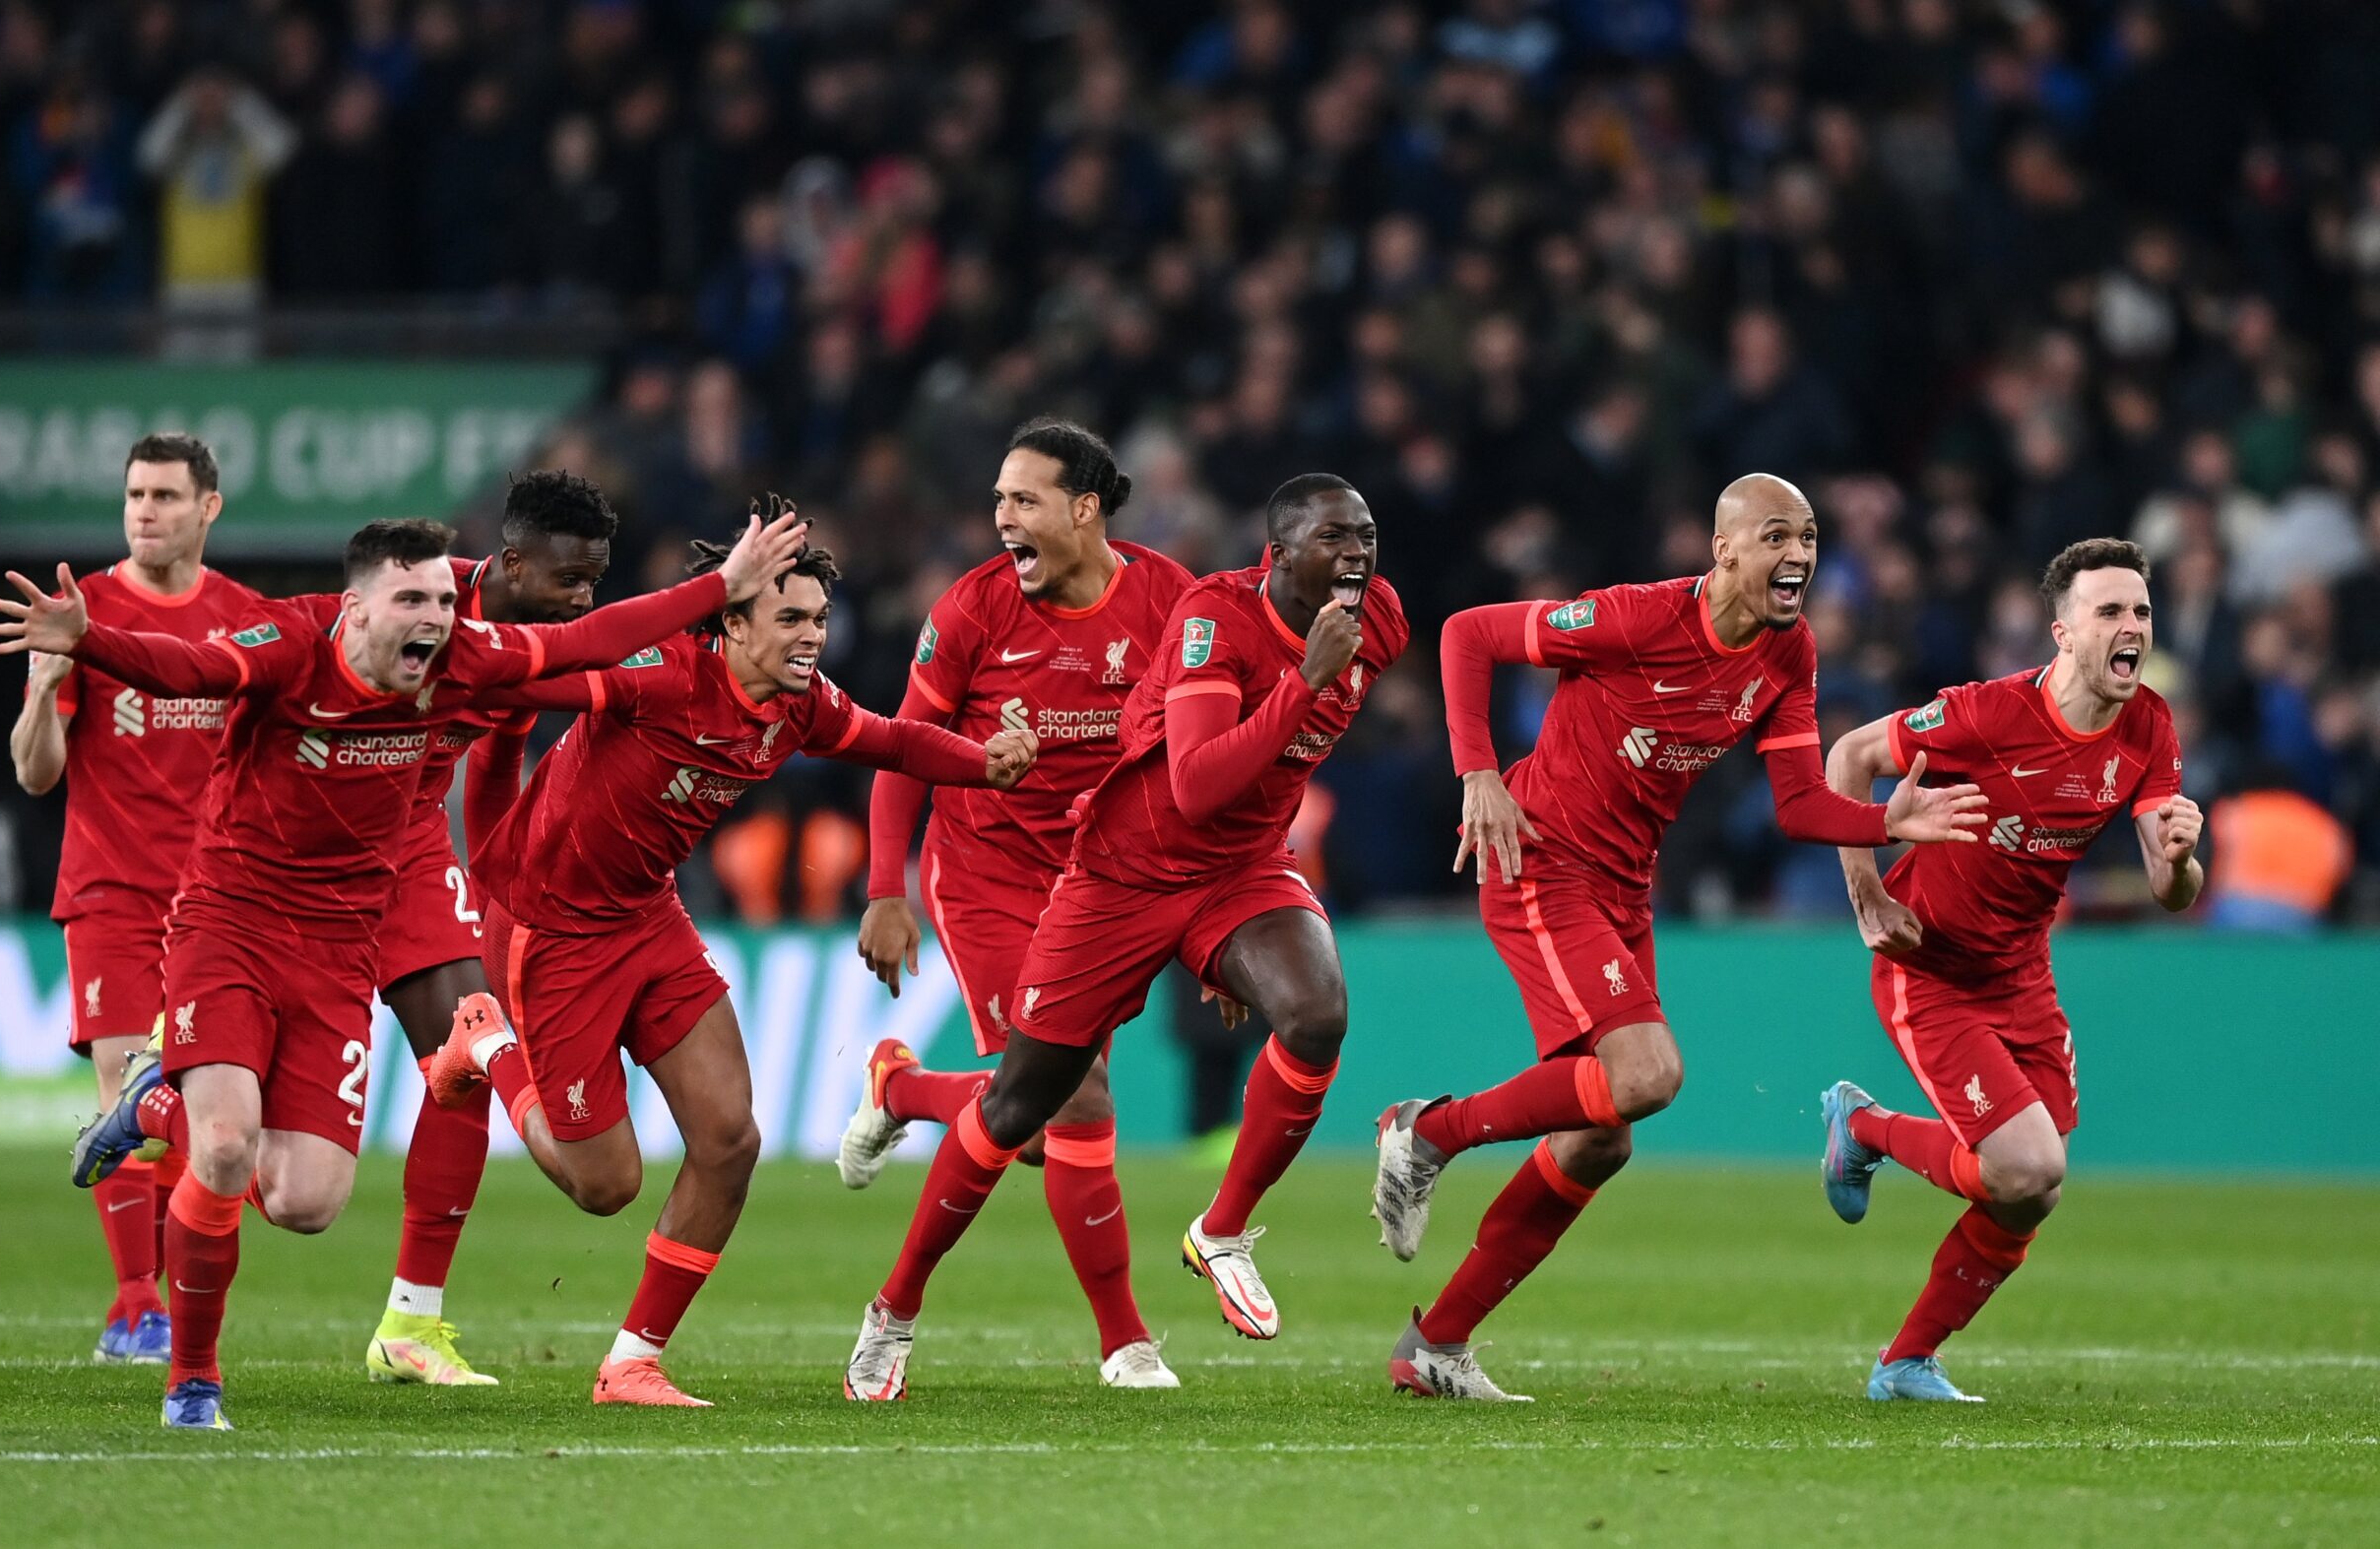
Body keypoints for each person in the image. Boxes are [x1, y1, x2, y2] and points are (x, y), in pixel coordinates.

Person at [0, 506, 809, 1431]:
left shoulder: (475, 651)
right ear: (365, 607)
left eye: (443, 601)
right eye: (570, 576)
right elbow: (196, 667)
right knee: (229, 1147)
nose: (581, 595)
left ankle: (397, 1305)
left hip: (375, 876)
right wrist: (92, 640)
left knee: (319, 1189)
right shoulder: (306, 638)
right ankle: (193, 1376)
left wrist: (719, 585)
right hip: (253, 903)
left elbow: (578, 653)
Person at [1372, 472, 1988, 1401]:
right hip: (1541, 859)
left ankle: (1437, 1344)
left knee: (1599, 1141)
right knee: (1648, 1075)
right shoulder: (1635, 619)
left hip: (1623, 889)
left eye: (1810, 537)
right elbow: (1467, 634)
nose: (1800, 554)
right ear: (1725, 550)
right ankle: (1428, 1132)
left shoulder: (1788, 652)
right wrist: (1478, 772)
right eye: (1777, 535)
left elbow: (1798, 804)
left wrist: (1887, 824)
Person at [431, 517, 1039, 1409]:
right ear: (733, 624)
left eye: (820, 618)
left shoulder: (800, 706)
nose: (812, 637)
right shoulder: (658, 673)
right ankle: (484, 1044)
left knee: (730, 1138)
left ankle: (633, 1360)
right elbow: (539, 663)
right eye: (790, 618)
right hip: (548, 930)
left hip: (648, 920)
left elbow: (892, 741)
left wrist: (985, 761)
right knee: (606, 1184)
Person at [844, 473, 1407, 1401]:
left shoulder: (1377, 621)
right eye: (1333, 537)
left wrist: (1235, 945)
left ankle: (1219, 1232)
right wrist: (1305, 679)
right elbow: (1193, 785)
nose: (1356, 555)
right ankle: (894, 1306)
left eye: (1367, 535)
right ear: (1277, 551)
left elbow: (1275, 780)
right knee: (1024, 1109)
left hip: (1239, 872)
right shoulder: (1213, 621)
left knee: (1314, 1011)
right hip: (1120, 873)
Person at [842, 419, 1193, 1389]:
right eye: (998, 499)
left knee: (1039, 1124)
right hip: (988, 878)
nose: (1002, 518)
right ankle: (1122, 1341)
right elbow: (903, 745)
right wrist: (885, 888)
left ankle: (901, 1088)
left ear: (1084, 509)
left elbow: (1202, 756)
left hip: (1105, 888)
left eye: (1024, 499)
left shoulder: (1170, 601)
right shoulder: (971, 613)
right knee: (1065, 1095)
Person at [1818, 538, 2202, 1402]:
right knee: (2026, 1167)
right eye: (2110, 611)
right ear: (2062, 632)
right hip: (1932, 967)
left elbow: (2168, 889)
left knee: (2032, 1191)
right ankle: (1865, 1126)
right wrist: (1868, 895)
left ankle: (1904, 1362)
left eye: (2141, 610)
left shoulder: (2149, 724)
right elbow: (1847, 757)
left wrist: (2181, 860)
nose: (2131, 626)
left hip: (2022, 973)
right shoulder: (1987, 715)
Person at [8, 431, 264, 1365]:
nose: (145, 511)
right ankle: (134, 1307)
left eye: (164, 495)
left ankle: (155, 1291)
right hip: (112, 888)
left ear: (209, 508)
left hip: (220, 905)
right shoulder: (88, 613)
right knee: (127, 1085)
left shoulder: (244, 619)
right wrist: (42, 691)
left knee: (199, 1120)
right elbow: (38, 775)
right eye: (133, 495)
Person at [362, 471, 618, 1388]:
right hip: (311, 848)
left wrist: (495, 872)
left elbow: (501, 747)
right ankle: (162, 1091)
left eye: (596, 580)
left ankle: (410, 1325)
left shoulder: (530, 649)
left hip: (414, 851)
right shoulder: (415, 605)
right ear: (510, 562)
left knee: (462, 1059)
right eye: (572, 579)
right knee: (286, 1181)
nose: (586, 598)